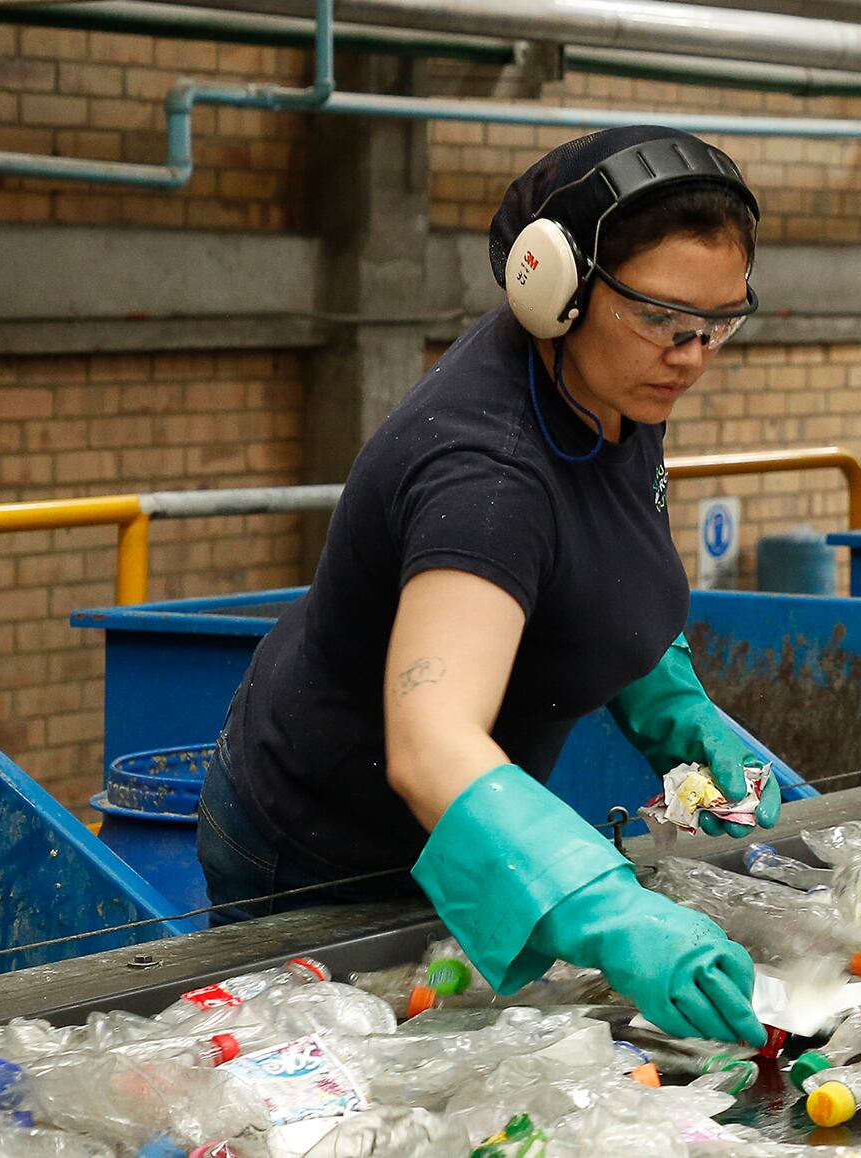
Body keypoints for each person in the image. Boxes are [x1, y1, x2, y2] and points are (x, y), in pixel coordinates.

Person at [196, 126, 781, 1043]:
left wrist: (674, 706)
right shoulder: (486, 482)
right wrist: (609, 911)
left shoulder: (614, 382)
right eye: (663, 319)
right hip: (330, 846)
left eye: (719, 322)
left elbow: (599, 554)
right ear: (557, 292)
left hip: (457, 828)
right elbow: (429, 744)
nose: (693, 354)